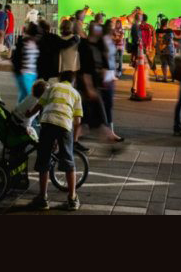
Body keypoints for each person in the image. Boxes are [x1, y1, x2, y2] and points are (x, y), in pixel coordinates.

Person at [26, 70, 83, 211]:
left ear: (59, 79)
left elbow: (39, 106)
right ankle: (72, 199)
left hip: (47, 122)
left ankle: (43, 198)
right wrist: (74, 140)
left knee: (44, 159)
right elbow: (77, 120)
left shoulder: (52, 87)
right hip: (64, 125)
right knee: (69, 161)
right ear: (73, 82)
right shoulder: (75, 94)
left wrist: (29, 113)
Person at [77, 17, 124, 144]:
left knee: (90, 115)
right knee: (95, 114)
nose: (98, 30)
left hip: (96, 84)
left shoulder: (98, 44)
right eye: (96, 28)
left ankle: (75, 141)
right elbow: (85, 69)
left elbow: (103, 63)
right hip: (88, 85)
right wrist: (89, 88)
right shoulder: (85, 45)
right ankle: (109, 138)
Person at [12, 23, 40, 105]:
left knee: (24, 96)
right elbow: (15, 58)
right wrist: (19, 70)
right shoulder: (23, 42)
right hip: (24, 73)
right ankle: (23, 114)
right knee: (28, 97)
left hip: (31, 73)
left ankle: (18, 113)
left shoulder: (33, 43)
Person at [155, 16, 175, 82]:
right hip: (169, 50)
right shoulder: (169, 31)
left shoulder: (158, 31)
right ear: (166, 24)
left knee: (164, 64)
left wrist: (160, 47)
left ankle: (165, 77)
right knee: (171, 64)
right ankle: (173, 78)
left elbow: (156, 39)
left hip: (161, 51)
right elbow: (170, 41)